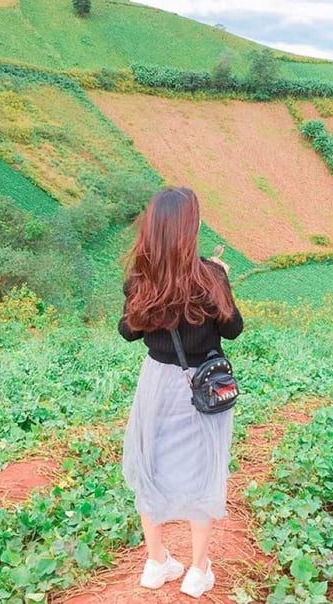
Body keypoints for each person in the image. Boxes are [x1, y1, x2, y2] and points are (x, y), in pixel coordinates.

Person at [118, 186, 244, 598]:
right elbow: (233, 329)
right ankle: (197, 570)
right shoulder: (211, 274)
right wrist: (220, 278)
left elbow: (127, 332)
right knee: (202, 469)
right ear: (190, 227)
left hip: (156, 383)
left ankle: (156, 563)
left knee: (150, 465)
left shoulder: (140, 276)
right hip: (202, 385)